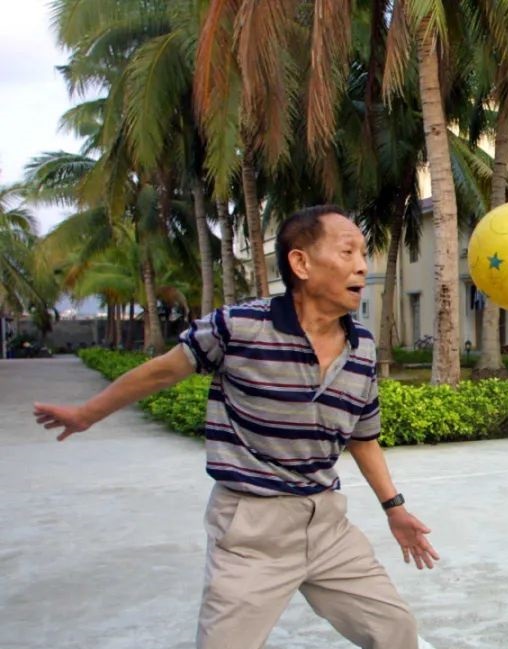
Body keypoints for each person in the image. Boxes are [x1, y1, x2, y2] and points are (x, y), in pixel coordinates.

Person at [33, 206, 439, 649]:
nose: (362, 264)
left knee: (396, 632)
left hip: (326, 524)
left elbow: (364, 439)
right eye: (347, 251)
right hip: (251, 531)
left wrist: (394, 508)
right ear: (301, 263)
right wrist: (86, 414)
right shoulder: (240, 326)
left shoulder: (361, 346)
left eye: (363, 252)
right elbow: (161, 372)